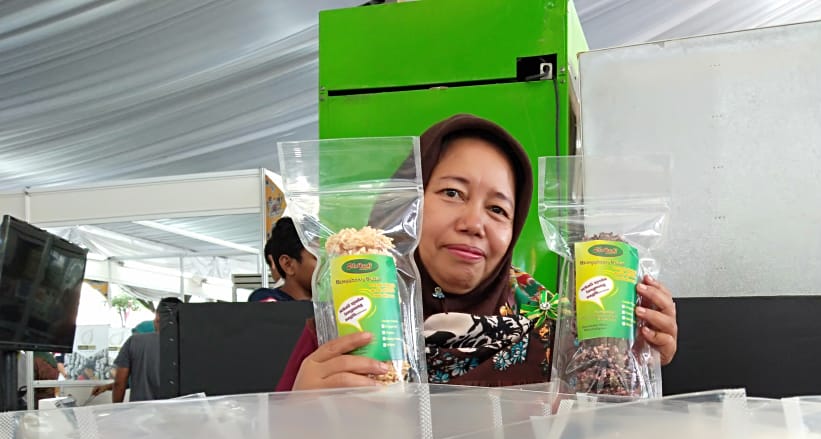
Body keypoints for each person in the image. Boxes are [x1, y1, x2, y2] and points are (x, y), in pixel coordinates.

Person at [276, 114, 678, 391]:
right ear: (406, 206)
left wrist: (636, 359)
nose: (474, 223)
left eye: (498, 209)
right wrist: (300, 412)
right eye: (452, 193)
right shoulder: (343, 325)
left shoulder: (560, 326)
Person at [94, 296, 181, 401]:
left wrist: (116, 411)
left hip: (141, 412)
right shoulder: (191, 346)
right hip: (178, 412)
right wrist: (106, 387)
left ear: (157, 315)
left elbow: (120, 382)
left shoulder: (134, 342)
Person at [248, 217, 317, 302]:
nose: (327, 267)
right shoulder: (266, 298)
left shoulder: (330, 302)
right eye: (318, 258)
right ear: (288, 265)